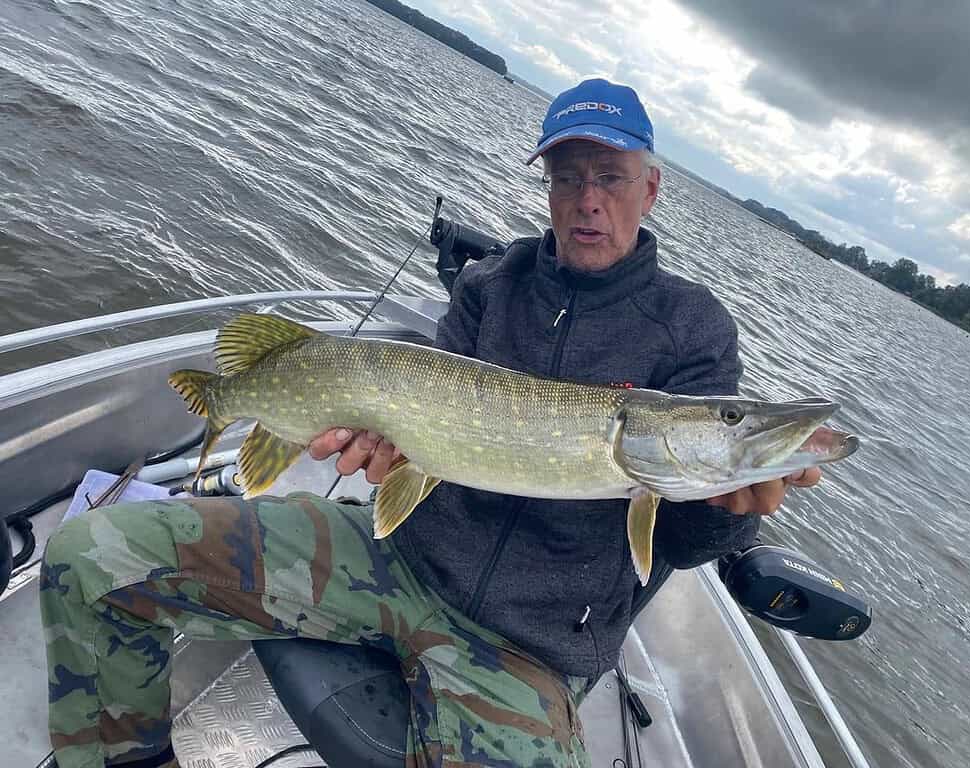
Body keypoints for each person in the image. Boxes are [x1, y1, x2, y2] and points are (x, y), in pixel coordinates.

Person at [40, 78, 820, 768]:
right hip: (396, 557)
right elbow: (407, 438)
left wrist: (724, 515)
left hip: (530, 643)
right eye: (568, 177)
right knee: (90, 555)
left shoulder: (691, 329)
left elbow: (678, 543)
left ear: (649, 191)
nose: (588, 200)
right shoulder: (492, 283)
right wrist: (381, 448)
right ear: (547, 188)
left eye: (610, 178)